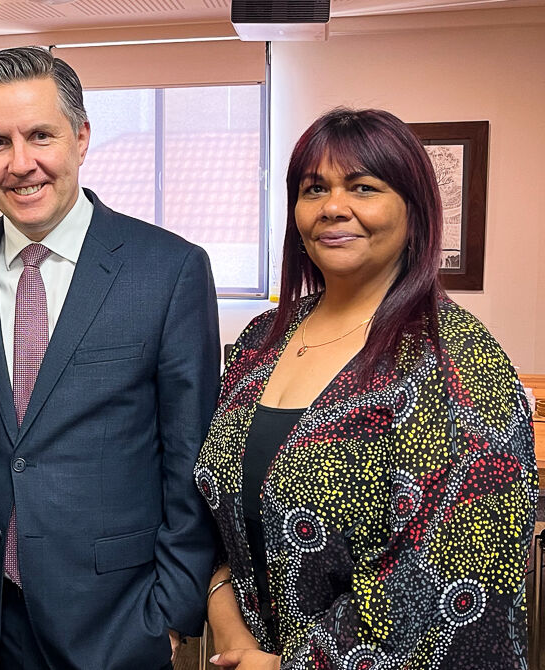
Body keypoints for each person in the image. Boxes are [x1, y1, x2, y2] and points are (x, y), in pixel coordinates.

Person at [195, 108, 536, 670]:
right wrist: (229, 627)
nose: (333, 206)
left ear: (413, 210)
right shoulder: (264, 337)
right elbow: (221, 509)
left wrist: (289, 666)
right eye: (314, 189)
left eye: (363, 187)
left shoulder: (455, 360)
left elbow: (450, 579)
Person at [0, 46, 220, 670]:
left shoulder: (168, 269)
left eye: (40, 136)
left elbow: (190, 457)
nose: (20, 163)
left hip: (118, 617)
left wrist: (171, 613)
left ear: (81, 138)